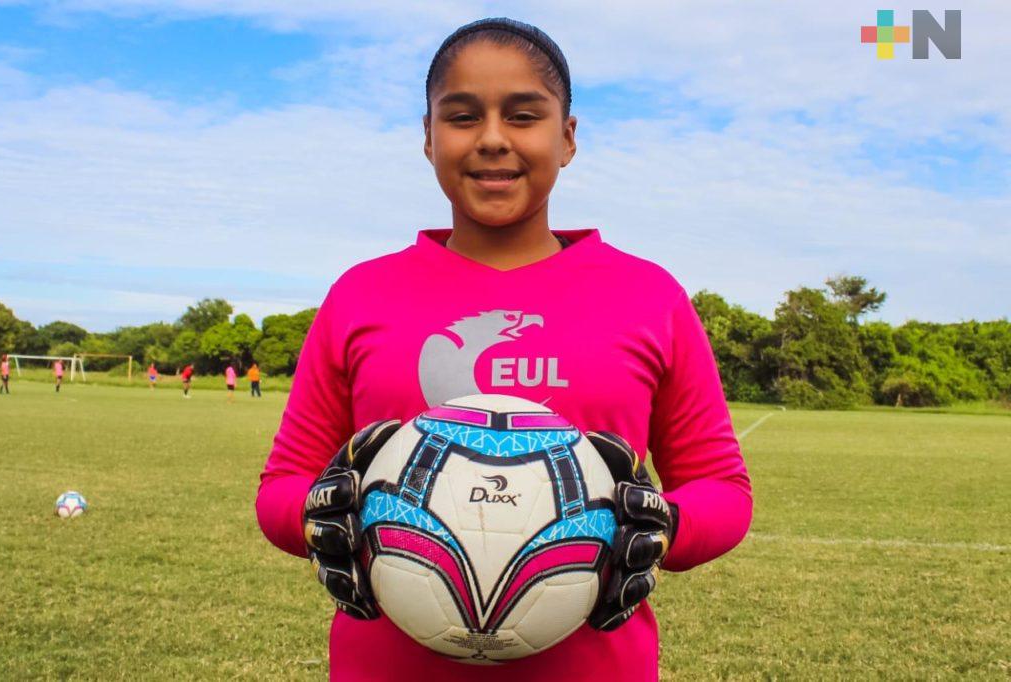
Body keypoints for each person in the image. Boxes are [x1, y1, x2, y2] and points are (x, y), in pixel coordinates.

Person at [256, 18, 751, 682]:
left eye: (523, 115)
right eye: (463, 117)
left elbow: (723, 489)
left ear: (567, 137)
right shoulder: (360, 295)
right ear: (429, 137)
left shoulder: (649, 296)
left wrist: (667, 525)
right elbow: (282, 486)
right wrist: (319, 512)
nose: (492, 138)